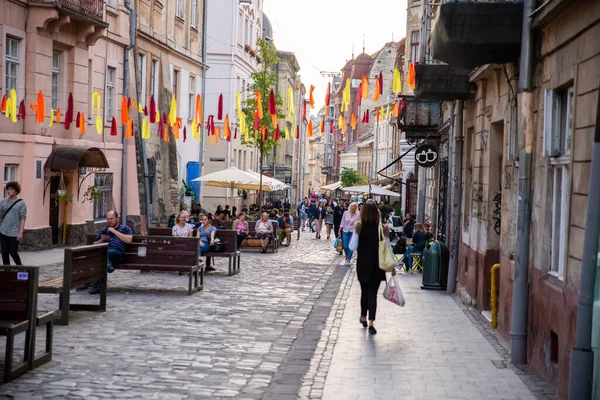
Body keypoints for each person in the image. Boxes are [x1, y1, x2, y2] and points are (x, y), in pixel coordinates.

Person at [349, 200, 394, 335]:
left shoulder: (359, 227)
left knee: (364, 292)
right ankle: (371, 323)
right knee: (373, 295)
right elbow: (388, 248)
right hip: (377, 265)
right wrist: (392, 265)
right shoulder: (382, 229)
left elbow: (352, 246)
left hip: (363, 264)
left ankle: (363, 317)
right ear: (376, 214)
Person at [91, 210, 133, 294]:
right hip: (105, 252)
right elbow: (94, 244)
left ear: (117, 218)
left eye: (111, 219)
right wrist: (101, 240)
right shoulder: (104, 230)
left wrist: (114, 231)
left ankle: (97, 285)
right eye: (108, 219)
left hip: (118, 253)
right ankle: (108, 266)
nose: (109, 221)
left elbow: (129, 240)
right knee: (102, 258)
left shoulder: (125, 228)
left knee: (106, 254)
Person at [0, 181, 27, 265]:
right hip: (3, 231)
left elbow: (23, 218)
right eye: (8, 189)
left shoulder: (22, 203)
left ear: (16, 191)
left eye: (11, 189)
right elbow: (0, 216)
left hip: (15, 232)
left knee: (13, 252)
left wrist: (21, 232)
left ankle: (20, 267)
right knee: (4, 253)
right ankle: (6, 272)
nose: (9, 191)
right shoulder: (3, 202)